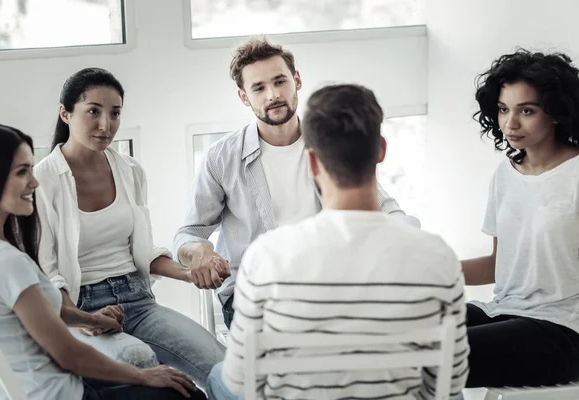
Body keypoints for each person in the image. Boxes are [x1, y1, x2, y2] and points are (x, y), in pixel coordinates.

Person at [204, 84, 468, 399]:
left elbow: (244, 382)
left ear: (312, 162)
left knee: (219, 375)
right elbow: (448, 386)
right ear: (381, 150)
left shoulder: (266, 257)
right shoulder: (438, 257)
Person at [174, 38, 420, 328]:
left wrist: (406, 242)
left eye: (280, 81)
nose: (273, 95)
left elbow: (385, 208)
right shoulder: (222, 158)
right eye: (259, 88)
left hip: (325, 287)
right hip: (255, 296)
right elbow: (187, 233)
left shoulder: (328, 143)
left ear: (297, 80)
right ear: (244, 97)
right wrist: (199, 250)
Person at [0, 120, 206, 400]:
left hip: (22, 390)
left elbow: (43, 313)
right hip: (58, 393)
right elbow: (68, 354)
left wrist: (89, 318)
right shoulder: (6, 261)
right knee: (184, 394)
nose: (34, 182)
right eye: (22, 172)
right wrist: (144, 376)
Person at [33, 68, 224, 387]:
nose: (105, 124)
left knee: (225, 367)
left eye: (115, 113)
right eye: (93, 111)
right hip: (82, 310)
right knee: (138, 359)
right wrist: (79, 320)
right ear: (65, 113)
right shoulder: (43, 180)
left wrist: (190, 274)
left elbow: (143, 251)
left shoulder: (130, 170)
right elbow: (46, 273)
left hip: (137, 300)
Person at [462, 49, 579, 388]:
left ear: (557, 112)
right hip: (504, 310)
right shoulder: (505, 174)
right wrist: (429, 270)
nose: (510, 124)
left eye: (526, 110)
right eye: (502, 109)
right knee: (398, 328)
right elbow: (501, 264)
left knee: (435, 353)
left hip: (563, 328)